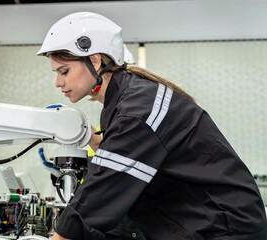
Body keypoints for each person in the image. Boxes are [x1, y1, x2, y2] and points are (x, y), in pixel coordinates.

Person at [36, 12, 267, 239]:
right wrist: (88, 137)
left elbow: (106, 188)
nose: (58, 82)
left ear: (94, 61)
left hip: (225, 228)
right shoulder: (130, 99)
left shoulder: (137, 109)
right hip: (206, 223)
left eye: (64, 71)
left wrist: (61, 235)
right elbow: (124, 154)